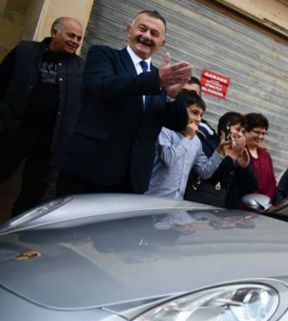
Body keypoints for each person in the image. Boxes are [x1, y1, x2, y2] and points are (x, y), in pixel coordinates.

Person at [55, 10, 191, 196]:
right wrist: (156, 80)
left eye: (154, 33)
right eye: (142, 29)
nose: (146, 36)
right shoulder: (103, 55)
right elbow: (104, 87)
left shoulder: (161, 78)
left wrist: (172, 96)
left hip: (132, 180)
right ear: (129, 30)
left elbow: (178, 124)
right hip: (89, 170)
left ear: (161, 44)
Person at [0, 17, 84, 216]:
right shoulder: (25, 51)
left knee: (31, 196)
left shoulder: (81, 68)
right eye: (70, 35)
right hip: (15, 133)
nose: (75, 41)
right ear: (54, 33)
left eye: (79, 38)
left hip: (49, 145)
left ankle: (12, 241)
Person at [145, 92, 248, 199]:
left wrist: (220, 150)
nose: (199, 119)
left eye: (201, 115)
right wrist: (188, 137)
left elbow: (204, 172)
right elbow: (168, 159)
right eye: (194, 113)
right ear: (181, 111)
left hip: (176, 201)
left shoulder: (196, 141)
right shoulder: (165, 131)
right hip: (153, 198)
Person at [186, 112, 257, 209]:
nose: (240, 134)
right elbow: (207, 175)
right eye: (237, 130)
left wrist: (245, 168)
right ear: (225, 129)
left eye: (243, 132)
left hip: (225, 209)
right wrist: (231, 158)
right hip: (200, 204)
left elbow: (251, 187)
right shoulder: (209, 145)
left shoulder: (241, 151)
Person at [180, 76, 217, 158]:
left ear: (200, 97)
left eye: (192, 94)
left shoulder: (205, 130)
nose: (187, 98)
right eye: (183, 92)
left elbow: (207, 165)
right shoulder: (159, 118)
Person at [241, 113, 276, 199]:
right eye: (257, 132)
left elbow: (272, 181)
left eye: (263, 133)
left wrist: (265, 200)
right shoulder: (239, 151)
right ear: (245, 131)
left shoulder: (265, 155)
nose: (260, 137)